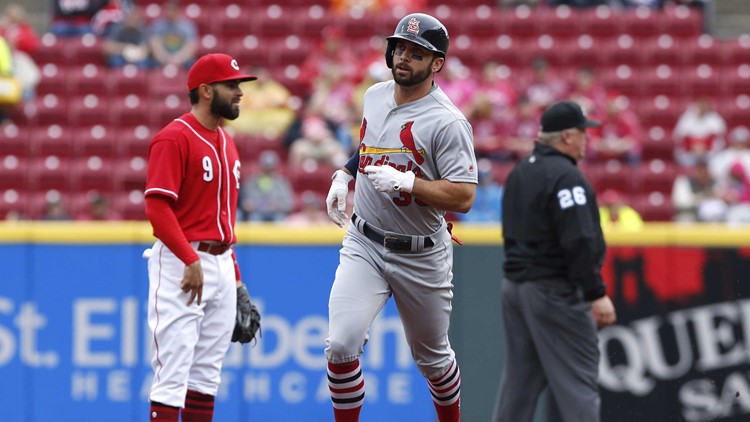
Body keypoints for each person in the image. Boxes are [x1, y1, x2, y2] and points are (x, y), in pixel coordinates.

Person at [323, 13, 477, 422]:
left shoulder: (448, 121)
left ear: (437, 63)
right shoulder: (375, 95)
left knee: (433, 361)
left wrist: (410, 185)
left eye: (416, 52)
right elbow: (375, 145)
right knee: (340, 344)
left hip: (421, 253)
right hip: (365, 241)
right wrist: (346, 171)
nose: (404, 57)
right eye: (400, 48)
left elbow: (463, 196)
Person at [143, 53, 257, 421]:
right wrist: (190, 259)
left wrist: (236, 280)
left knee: (206, 376)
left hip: (221, 263)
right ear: (206, 91)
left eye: (239, 84)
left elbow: (223, 221)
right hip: (182, 260)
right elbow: (157, 210)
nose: (239, 92)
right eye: (231, 85)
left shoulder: (228, 142)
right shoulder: (174, 137)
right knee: (172, 376)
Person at [493, 100, 617, 422]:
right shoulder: (567, 177)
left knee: (519, 384)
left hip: (515, 288)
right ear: (566, 136)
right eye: (582, 132)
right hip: (553, 290)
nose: (586, 139)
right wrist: (595, 292)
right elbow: (578, 240)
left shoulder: (520, 170)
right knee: (578, 382)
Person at [238, 149, 295, 222]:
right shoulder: (251, 182)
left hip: (276, 214)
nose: (268, 170)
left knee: (280, 219)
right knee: (254, 219)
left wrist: (278, 206)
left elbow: (289, 204)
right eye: (266, 167)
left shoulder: (282, 183)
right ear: (261, 166)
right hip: (256, 213)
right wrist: (248, 206)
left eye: (270, 167)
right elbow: (244, 203)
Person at [148, 0, 198, 70]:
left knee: (191, 64)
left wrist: (179, 59)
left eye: (172, 10)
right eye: (167, 9)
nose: (169, 12)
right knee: (151, 63)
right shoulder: (158, 25)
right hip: (163, 59)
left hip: (181, 59)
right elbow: (155, 44)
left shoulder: (187, 26)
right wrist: (165, 58)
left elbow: (191, 46)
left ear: (177, 10)